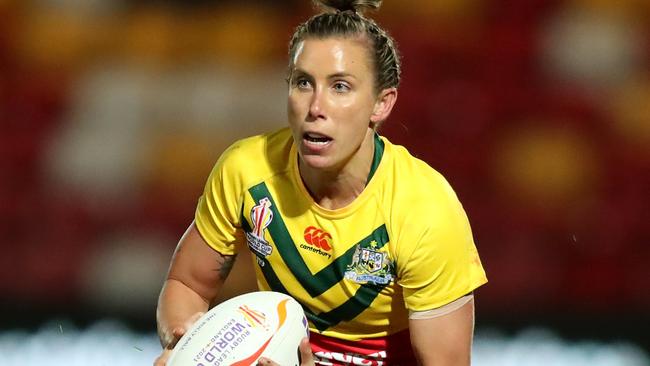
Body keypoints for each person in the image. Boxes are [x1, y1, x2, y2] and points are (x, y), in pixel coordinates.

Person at [155, 0, 488, 365]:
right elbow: (187, 285)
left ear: (381, 103)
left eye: (340, 87)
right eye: (303, 83)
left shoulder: (425, 209)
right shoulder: (245, 170)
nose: (316, 106)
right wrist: (188, 343)